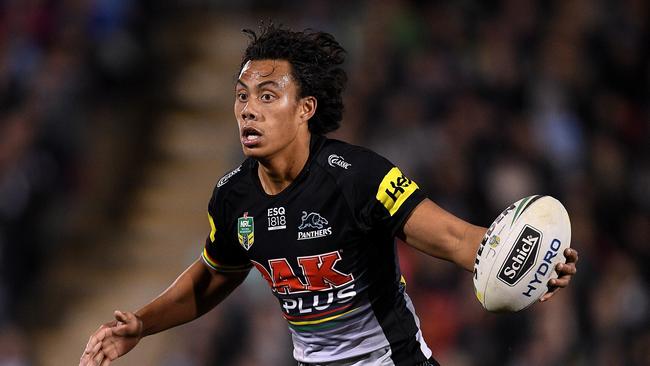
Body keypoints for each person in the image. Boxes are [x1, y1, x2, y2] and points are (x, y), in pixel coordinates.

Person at [79, 24, 578, 366]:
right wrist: (141, 325)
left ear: (305, 108)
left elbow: (452, 238)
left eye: (268, 95)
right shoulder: (232, 198)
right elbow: (213, 276)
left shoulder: (356, 176)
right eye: (242, 95)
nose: (248, 110)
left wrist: (527, 260)